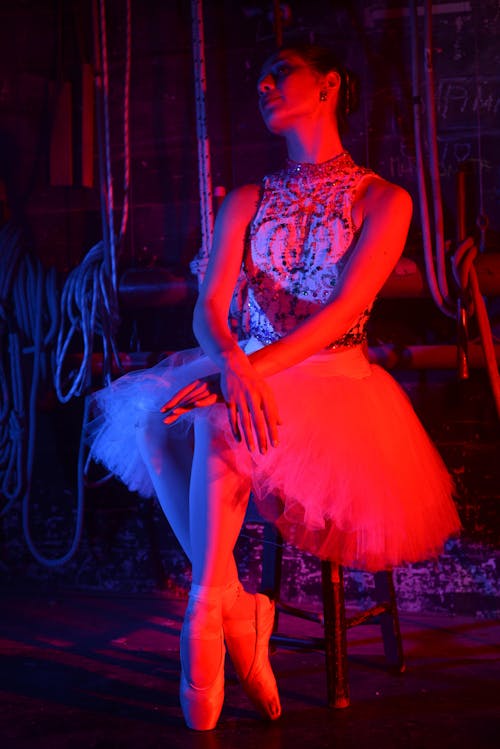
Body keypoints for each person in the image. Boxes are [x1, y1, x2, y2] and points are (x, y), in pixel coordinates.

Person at [89, 43, 461, 730]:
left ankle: (207, 608)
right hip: (248, 359)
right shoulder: (247, 198)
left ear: (329, 84)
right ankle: (233, 599)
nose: (262, 83)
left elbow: (347, 310)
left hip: (333, 376)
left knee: (215, 421)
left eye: (280, 71)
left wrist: (242, 377)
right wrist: (233, 364)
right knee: (153, 420)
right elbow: (209, 306)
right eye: (257, 74)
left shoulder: (383, 198)